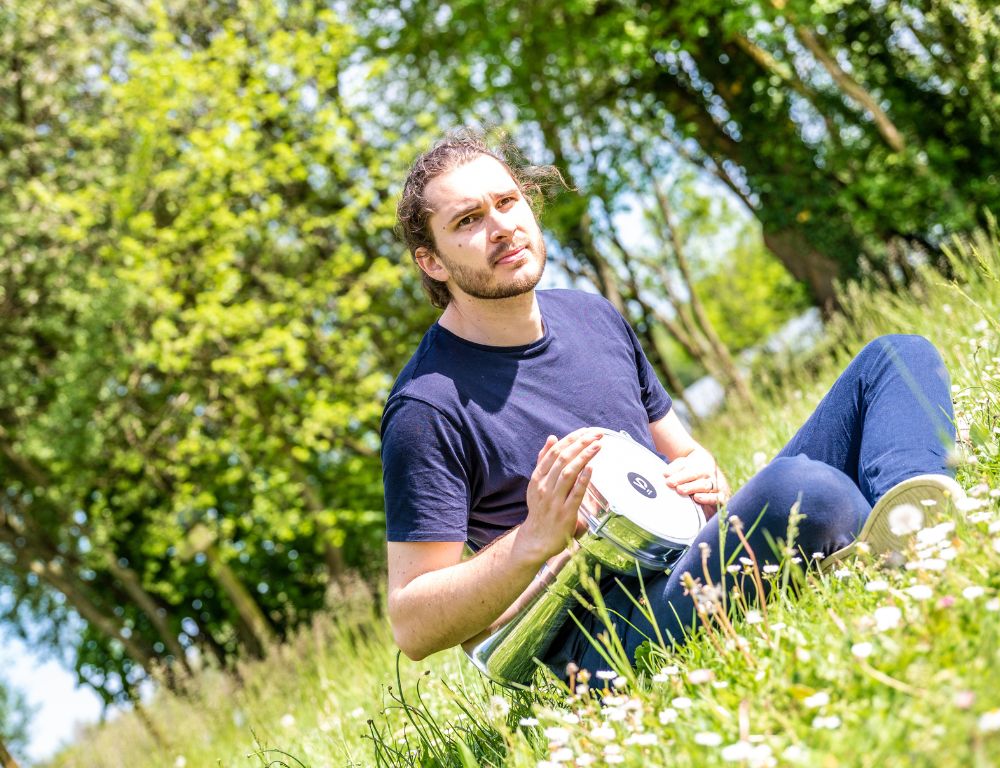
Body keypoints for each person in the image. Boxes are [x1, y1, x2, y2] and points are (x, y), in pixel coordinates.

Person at [380, 130, 962, 678]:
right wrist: (535, 538)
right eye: (469, 220)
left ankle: (919, 523)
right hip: (604, 635)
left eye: (507, 201)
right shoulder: (428, 407)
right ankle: (877, 540)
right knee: (800, 492)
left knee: (896, 359)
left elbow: (689, 465)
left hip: (687, 556)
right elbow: (413, 623)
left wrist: (704, 476)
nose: (501, 227)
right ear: (431, 260)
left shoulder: (592, 316)